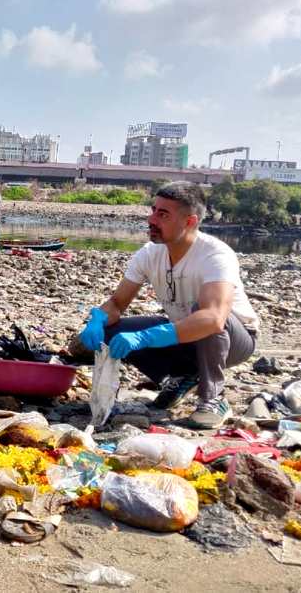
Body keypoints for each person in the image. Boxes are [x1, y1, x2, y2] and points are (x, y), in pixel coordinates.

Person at [78, 181, 259, 429]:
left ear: (190, 221)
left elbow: (215, 318)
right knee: (112, 331)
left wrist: (146, 337)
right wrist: (98, 320)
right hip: (186, 336)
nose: (151, 220)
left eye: (163, 214)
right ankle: (185, 375)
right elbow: (117, 303)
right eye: (153, 210)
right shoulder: (150, 253)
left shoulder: (215, 255)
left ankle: (213, 398)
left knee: (204, 315)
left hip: (234, 340)